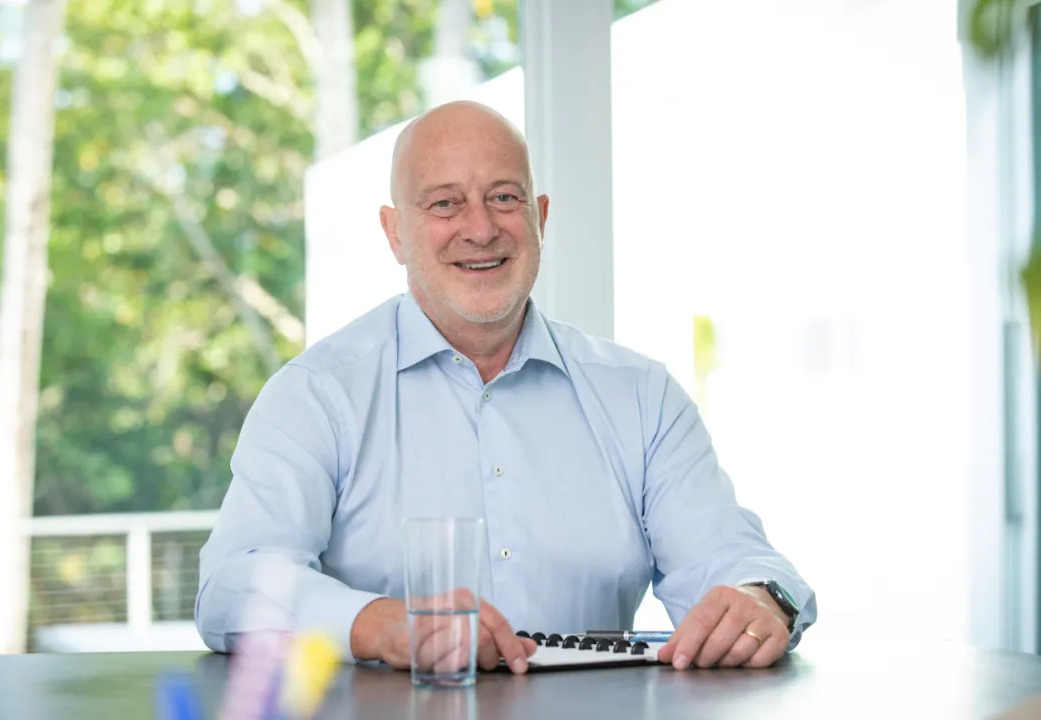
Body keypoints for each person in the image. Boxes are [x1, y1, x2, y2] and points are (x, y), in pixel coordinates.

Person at [195, 101, 816, 675]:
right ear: (395, 233)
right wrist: (378, 625)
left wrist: (760, 600)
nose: (481, 228)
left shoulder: (641, 396)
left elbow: (732, 561)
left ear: (539, 217)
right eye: (444, 204)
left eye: (503, 197)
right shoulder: (316, 395)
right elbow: (234, 585)